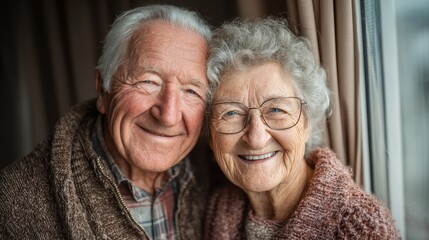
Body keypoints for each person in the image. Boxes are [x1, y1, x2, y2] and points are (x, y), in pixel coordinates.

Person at [0, 4, 214, 239]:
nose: (168, 115)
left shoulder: (218, 174)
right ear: (103, 88)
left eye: (192, 91)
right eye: (148, 82)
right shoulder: (13, 202)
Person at [204, 18, 401, 239]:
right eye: (231, 113)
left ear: (308, 122)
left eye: (276, 110)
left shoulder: (363, 228)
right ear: (211, 136)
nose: (256, 137)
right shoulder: (217, 207)